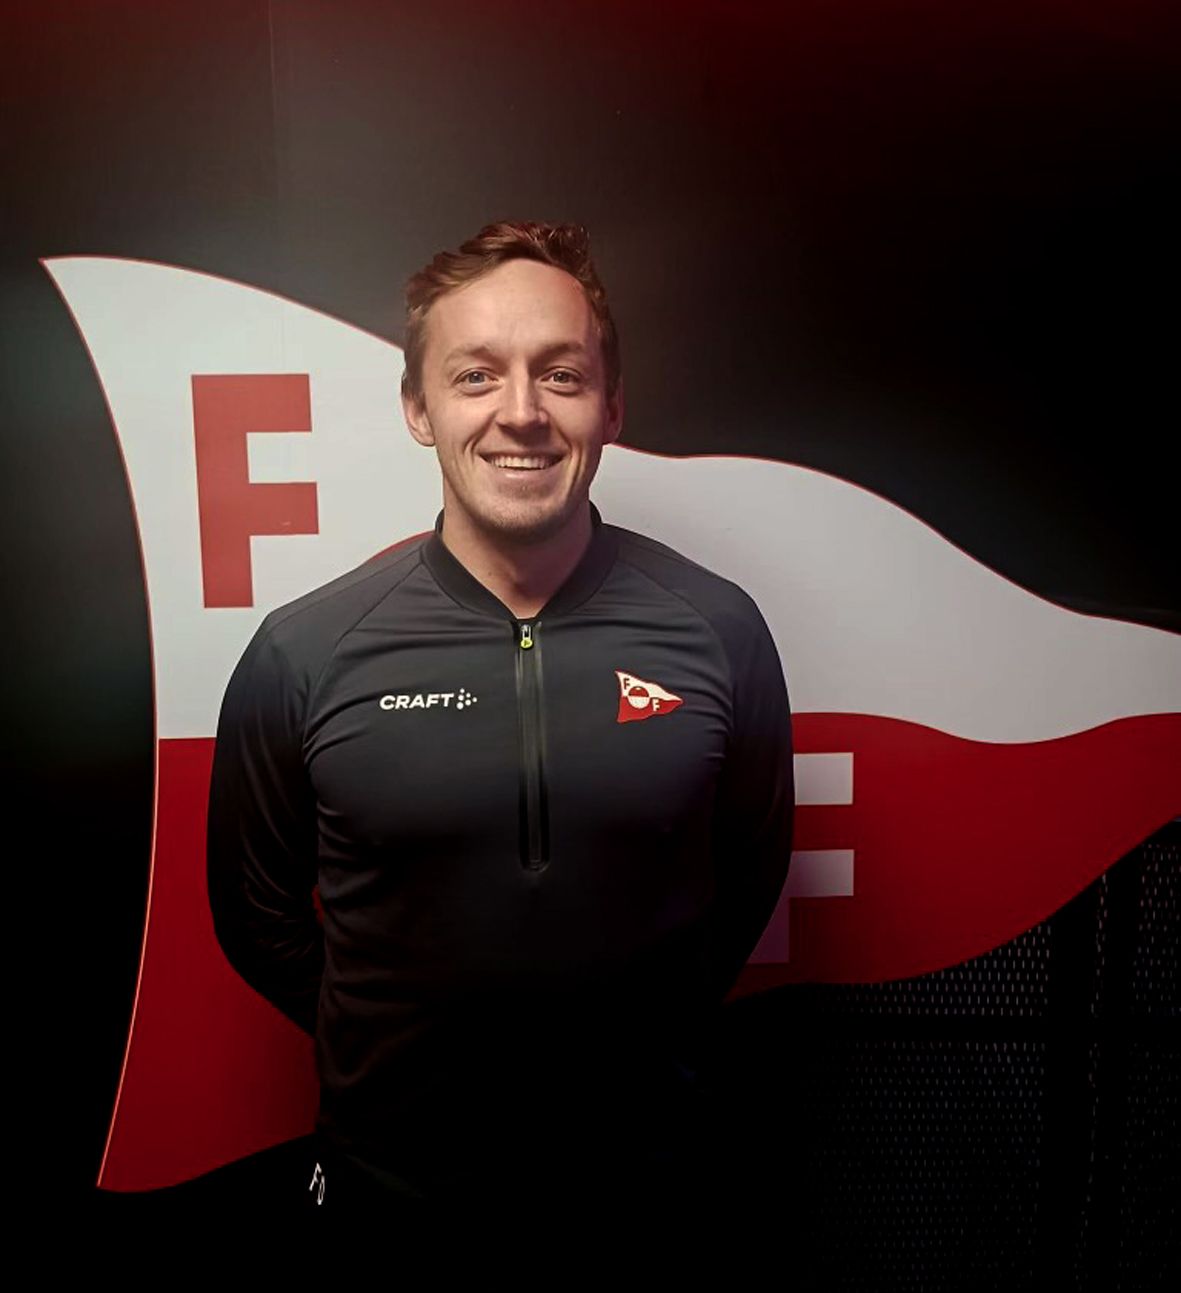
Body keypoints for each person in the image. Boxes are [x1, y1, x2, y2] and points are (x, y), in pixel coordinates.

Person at [206, 220, 794, 1228]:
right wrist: (390, 1042)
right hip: (391, 1196)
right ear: (417, 407)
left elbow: (746, 877)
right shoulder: (304, 652)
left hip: (650, 1195)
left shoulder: (719, 630)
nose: (520, 414)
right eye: (475, 376)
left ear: (611, 406)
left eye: (560, 375)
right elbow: (255, 916)